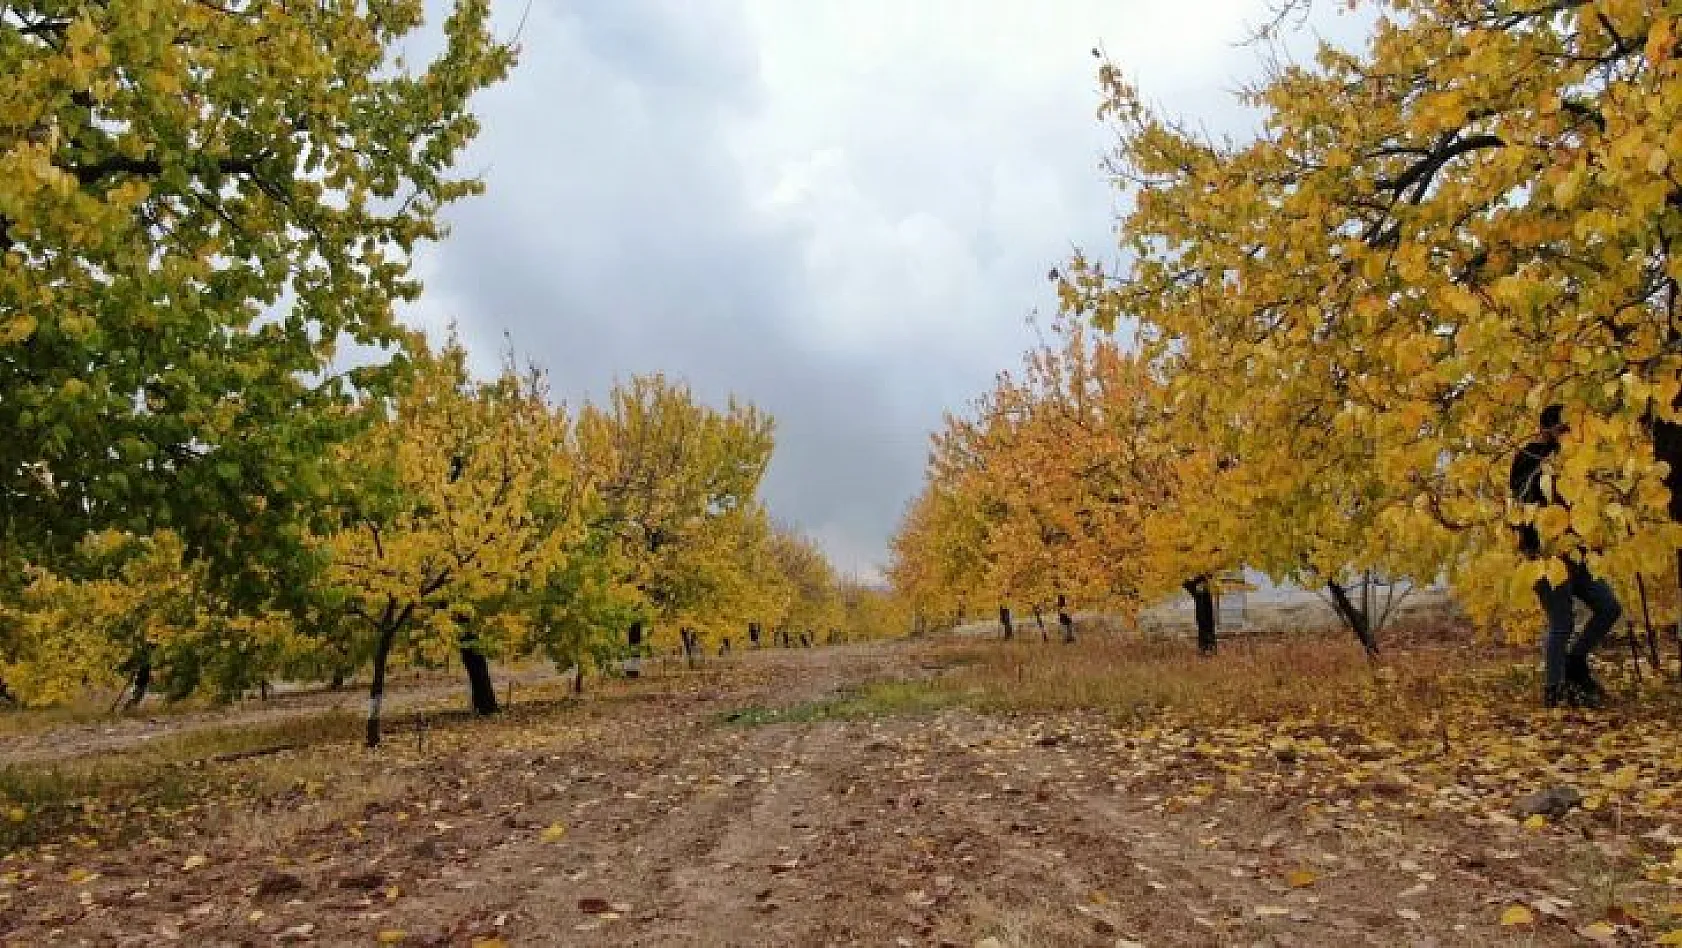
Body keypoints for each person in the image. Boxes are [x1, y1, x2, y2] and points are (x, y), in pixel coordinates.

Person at [1509, 404, 1621, 707]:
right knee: (1562, 621)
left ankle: (1575, 661)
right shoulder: (1529, 457)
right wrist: (1532, 549)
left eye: (1569, 430)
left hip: (1576, 551)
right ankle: (1554, 690)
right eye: (1562, 430)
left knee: (1608, 606)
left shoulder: (1573, 457)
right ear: (1547, 429)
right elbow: (1521, 504)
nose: (1567, 435)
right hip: (1544, 556)